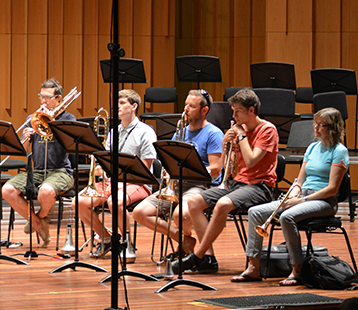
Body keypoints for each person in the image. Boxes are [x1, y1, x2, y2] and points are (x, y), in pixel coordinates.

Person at [231, 107, 348, 284]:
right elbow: (300, 181)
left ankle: (297, 269)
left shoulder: (339, 151)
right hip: (303, 196)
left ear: (332, 128)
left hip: (324, 201)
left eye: (320, 124)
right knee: (255, 212)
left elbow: (332, 189)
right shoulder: (312, 148)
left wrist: (301, 200)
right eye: (315, 123)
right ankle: (254, 268)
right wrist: (292, 195)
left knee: (287, 216)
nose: (315, 127)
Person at [172, 87, 278, 273]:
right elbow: (226, 165)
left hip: (259, 186)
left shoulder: (267, 130)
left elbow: (252, 161)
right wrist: (225, 144)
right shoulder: (240, 131)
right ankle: (208, 258)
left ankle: (197, 255)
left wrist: (242, 136)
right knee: (194, 202)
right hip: (237, 184)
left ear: (251, 111)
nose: (234, 115)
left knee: (222, 205)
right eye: (233, 111)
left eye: (238, 111)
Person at [132, 90, 223, 271]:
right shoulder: (180, 132)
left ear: (204, 110)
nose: (186, 109)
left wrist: (190, 170)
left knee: (180, 215)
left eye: (191, 106)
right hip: (177, 185)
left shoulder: (214, 133)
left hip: (200, 185)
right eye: (186, 105)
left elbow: (215, 169)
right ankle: (184, 241)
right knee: (139, 212)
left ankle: (196, 254)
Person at [72, 89, 156, 261]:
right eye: (117, 103)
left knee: (115, 201)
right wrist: (100, 169)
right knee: (78, 202)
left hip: (138, 183)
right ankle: (106, 238)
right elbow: (107, 163)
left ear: (134, 106)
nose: (118, 106)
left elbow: (146, 168)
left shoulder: (146, 132)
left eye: (122, 103)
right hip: (113, 182)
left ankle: (127, 243)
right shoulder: (113, 132)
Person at [1, 78, 76, 248]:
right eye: (41, 97)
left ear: (59, 99)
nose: (43, 101)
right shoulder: (33, 118)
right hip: (38, 171)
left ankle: (40, 218)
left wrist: (54, 126)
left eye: (47, 97)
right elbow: (23, 150)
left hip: (61, 171)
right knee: (7, 190)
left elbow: (71, 147)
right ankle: (38, 223)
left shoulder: (68, 118)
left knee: (46, 191)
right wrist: (27, 136)